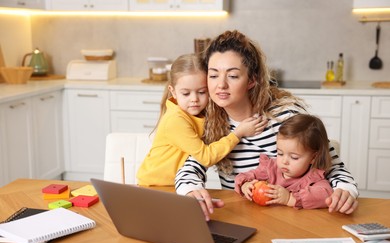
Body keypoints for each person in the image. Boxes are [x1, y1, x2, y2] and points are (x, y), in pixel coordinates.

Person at [174, 30, 358, 221]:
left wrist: (345, 189)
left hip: (294, 219)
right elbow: (190, 169)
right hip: (242, 218)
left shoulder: (285, 117)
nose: (221, 85)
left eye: (233, 76)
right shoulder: (211, 123)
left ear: (252, 80)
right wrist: (191, 191)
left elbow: (333, 166)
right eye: (213, 75)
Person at [136, 54, 267, 186]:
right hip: (155, 187)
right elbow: (206, 157)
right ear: (173, 91)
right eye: (186, 93)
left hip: (175, 187)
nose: (194, 99)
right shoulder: (175, 120)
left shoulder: (201, 114)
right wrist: (238, 133)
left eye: (202, 92)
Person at [235, 114, 333, 209]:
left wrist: (289, 198)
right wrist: (245, 185)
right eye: (280, 153)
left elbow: (326, 195)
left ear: (313, 158)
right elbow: (244, 176)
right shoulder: (270, 168)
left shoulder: (313, 178)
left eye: (294, 157)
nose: (284, 161)